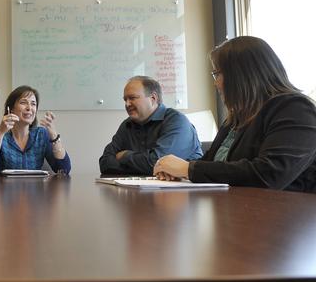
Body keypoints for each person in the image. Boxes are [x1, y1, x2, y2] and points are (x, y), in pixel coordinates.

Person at [153, 36, 316, 191]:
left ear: (241, 75)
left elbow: (270, 174)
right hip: (242, 210)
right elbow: (210, 162)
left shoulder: (296, 109)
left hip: (286, 215)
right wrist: (177, 171)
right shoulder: (237, 117)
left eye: (217, 74)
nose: (216, 83)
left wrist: (188, 169)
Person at [99, 76, 202, 175]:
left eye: (132, 98)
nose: (127, 104)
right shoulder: (127, 125)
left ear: (153, 98)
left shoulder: (176, 121)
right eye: (125, 99)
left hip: (182, 191)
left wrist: (124, 156)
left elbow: (158, 163)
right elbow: (105, 163)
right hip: (139, 189)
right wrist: (143, 165)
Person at [0, 85, 71, 175]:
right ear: (11, 109)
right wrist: (1, 132)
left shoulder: (41, 134)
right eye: (23, 102)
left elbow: (63, 170)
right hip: (6, 189)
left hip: (36, 189)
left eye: (33, 104)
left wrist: (54, 136)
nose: (29, 108)